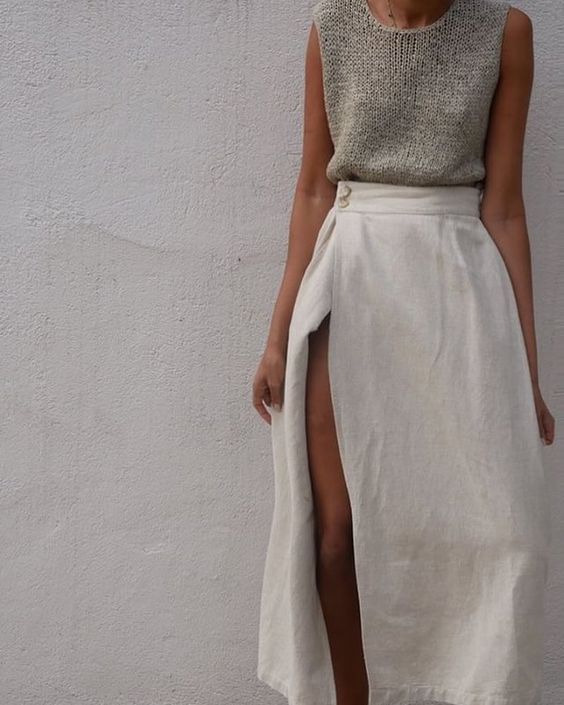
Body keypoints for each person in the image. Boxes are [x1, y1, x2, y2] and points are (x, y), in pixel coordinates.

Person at [252, 1, 556, 704]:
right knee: (337, 534)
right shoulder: (332, 27)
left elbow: (505, 207)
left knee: (507, 536)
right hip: (352, 276)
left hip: (460, 284)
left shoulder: (505, 31)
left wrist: (527, 373)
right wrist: (276, 335)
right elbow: (313, 189)